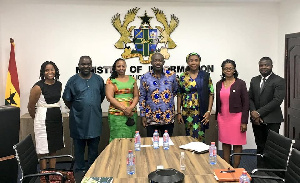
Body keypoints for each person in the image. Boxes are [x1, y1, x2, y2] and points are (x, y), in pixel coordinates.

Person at [62, 56, 105, 173]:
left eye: (88, 64)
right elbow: (67, 99)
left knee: (94, 148)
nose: (86, 66)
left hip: (94, 119)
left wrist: (91, 105)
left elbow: (101, 96)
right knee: (79, 148)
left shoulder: (98, 79)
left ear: (91, 65)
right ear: (79, 65)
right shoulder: (72, 80)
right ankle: (80, 170)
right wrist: (79, 108)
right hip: (78, 120)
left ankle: (92, 169)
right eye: (83, 64)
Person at [249, 57, 285, 167]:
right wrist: (254, 113)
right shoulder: (254, 80)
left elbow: (277, 100)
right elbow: (250, 98)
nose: (264, 67)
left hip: (272, 119)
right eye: (261, 65)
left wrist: (259, 113)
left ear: (271, 66)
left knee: (271, 147)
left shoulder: (279, 80)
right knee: (259, 145)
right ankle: (260, 169)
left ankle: (271, 172)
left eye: (266, 65)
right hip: (256, 120)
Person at [27, 61, 64, 170]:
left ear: (55, 71)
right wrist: (37, 118)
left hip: (56, 118)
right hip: (42, 120)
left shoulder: (59, 84)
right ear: (43, 72)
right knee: (43, 149)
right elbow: (31, 106)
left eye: (52, 69)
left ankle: (52, 173)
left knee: (53, 148)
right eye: (46, 70)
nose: (50, 72)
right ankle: (44, 175)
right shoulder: (38, 87)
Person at [215, 59, 249, 168]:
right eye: (226, 68)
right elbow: (218, 102)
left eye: (230, 68)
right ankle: (227, 166)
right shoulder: (219, 84)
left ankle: (235, 167)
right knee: (225, 142)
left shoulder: (240, 83)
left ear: (234, 70)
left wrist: (244, 121)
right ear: (223, 70)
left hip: (237, 118)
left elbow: (246, 103)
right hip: (223, 118)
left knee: (237, 143)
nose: (228, 70)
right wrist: (217, 118)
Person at [177, 52, 214, 142]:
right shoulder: (183, 76)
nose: (194, 63)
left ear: (200, 62)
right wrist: (178, 112)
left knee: (200, 136)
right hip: (187, 111)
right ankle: (190, 156)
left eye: (196, 60)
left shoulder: (205, 76)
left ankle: (200, 156)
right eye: (191, 60)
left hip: (201, 111)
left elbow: (211, 94)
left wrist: (209, 111)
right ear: (187, 62)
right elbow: (179, 95)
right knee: (189, 136)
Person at [139, 52, 178, 137]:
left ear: (163, 62)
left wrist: (166, 101)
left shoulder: (171, 76)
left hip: (167, 117)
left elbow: (174, 91)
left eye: (160, 60)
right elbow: (142, 97)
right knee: (152, 146)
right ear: (151, 62)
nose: (158, 63)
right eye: (155, 60)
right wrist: (143, 115)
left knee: (168, 145)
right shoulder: (145, 77)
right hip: (151, 118)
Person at [105, 58, 138, 142]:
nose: (121, 68)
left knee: (131, 137)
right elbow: (110, 97)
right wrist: (124, 109)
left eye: (123, 66)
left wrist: (130, 108)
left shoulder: (132, 79)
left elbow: (136, 96)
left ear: (126, 67)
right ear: (115, 68)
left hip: (131, 114)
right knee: (117, 139)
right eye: (118, 66)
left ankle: (130, 155)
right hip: (117, 116)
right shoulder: (111, 80)